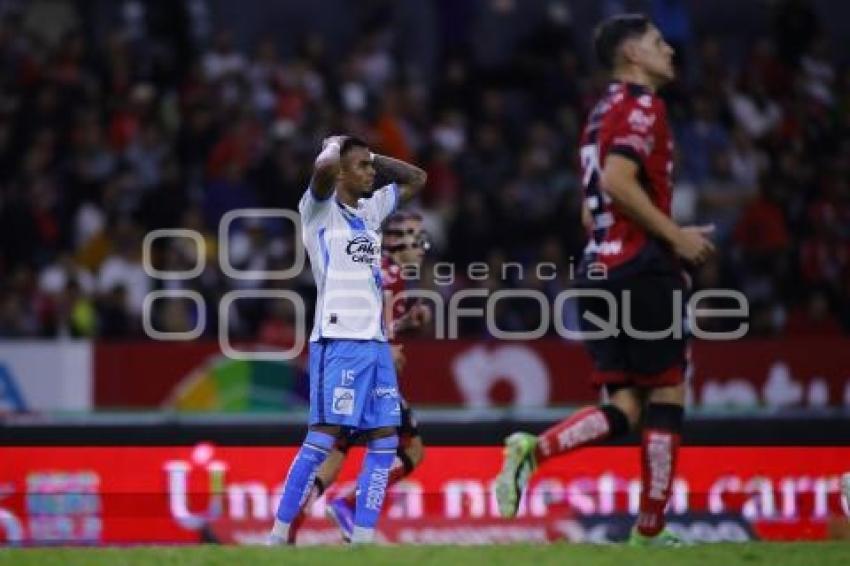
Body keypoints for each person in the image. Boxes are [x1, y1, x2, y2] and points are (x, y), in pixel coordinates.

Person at [494, 14, 714, 547]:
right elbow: (616, 182)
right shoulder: (642, 107)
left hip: (596, 268)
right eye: (659, 43)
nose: (671, 51)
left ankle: (534, 450)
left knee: (626, 406)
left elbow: (592, 213)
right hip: (641, 268)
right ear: (633, 55)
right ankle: (651, 531)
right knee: (667, 392)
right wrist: (675, 237)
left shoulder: (598, 115)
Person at [269, 135, 426, 545]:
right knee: (321, 440)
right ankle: (278, 535)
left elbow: (416, 178)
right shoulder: (318, 210)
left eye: (371, 166)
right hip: (337, 340)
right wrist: (334, 150)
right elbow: (321, 172)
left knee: (384, 441)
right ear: (340, 170)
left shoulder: (370, 210)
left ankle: (363, 539)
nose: (371, 172)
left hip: (375, 344)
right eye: (362, 167)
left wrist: (371, 155)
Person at [287, 212, 433, 543]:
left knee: (336, 453)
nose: (424, 246)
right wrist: (385, 349)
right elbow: (371, 328)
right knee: (412, 449)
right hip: (369, 376)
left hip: (339, 369)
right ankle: (349, 504)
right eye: (417, 237)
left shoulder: (370, 266)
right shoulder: (391, 275)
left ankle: (294, 518)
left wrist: (404, 323)